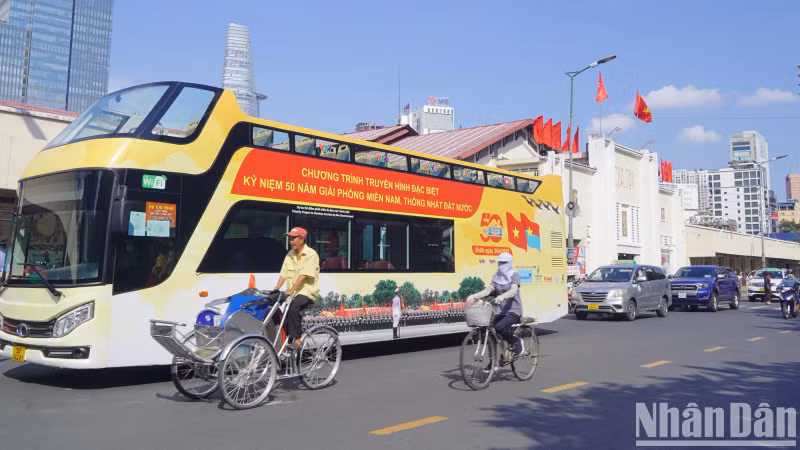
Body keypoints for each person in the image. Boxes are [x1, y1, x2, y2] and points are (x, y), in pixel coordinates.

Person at [467, 252, 524, 354]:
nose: (501, 265)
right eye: (500, 263)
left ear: (510, 263)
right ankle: (492, 363)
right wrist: (475, 296)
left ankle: (516, 341)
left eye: (504, 263)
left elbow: (514, 290)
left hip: (514, 311)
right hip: (500, 311)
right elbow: (488, 290)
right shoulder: (496, 276)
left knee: (499, 327)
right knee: (488, 332)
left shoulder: (515, 275)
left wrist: (503, 296)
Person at [274, 227, 320, 349]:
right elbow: (284, 274)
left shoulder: (311, 254)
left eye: (293, 238)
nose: (291, 241)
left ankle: (298, 340)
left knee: (294, 309)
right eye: (290, 238)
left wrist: (291, 290)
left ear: (302, 239)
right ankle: (288, 343)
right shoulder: (289, 254)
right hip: (294, 293)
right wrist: (276, 288)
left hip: (307, 292)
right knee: (284, 317)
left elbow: (303, 276)